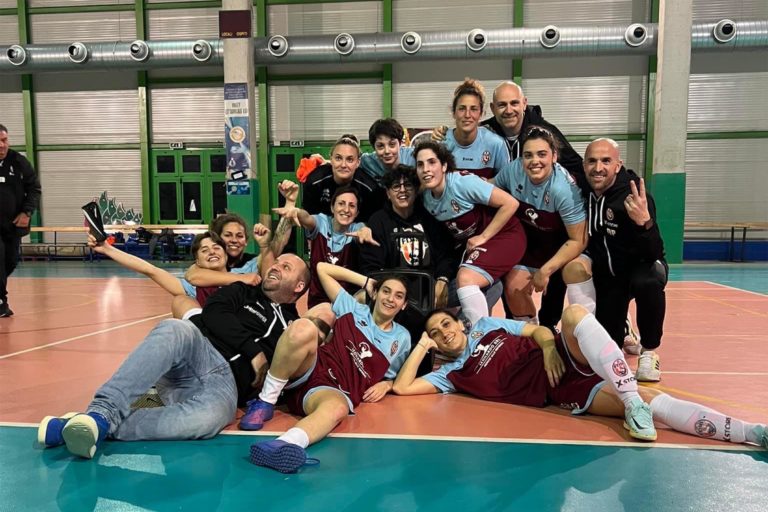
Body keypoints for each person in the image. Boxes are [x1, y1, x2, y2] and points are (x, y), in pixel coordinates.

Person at [37, 246, 314, 459]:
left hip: (223, 390)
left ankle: (86, 424)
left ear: (299, 286)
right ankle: (102, 412)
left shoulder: (294, 329)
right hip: (196, 355)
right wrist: (253, 350)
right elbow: (214, 314)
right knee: (175, 329)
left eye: (285, 266)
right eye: (276, 262)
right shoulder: (242, 290)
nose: (275, 266)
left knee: (211, 419)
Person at [394, 307, 768, 450]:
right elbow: (403, 387)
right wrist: (422, 344)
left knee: (573, 314)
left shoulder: (487, 326)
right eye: (436, 332)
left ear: (459, 323)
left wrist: (548, 348)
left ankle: (632, 402)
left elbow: (537, 331)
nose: (444, 333)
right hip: (561, 388)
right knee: (656, 406)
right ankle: (751, 432)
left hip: (562, 352)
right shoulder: (452, 375)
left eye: (446, 324)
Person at [243, 261, 411, 473]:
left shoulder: (402, 338)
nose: (390, 299)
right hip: (311, 367)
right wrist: (367, 282)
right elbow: (322, 268)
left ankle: (282, 445)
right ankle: (266, 401)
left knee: (337, 410)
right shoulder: (353, 308)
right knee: (303, 327)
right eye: (386, 291)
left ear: (404, 305)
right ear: (375, 294)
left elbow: (400, 377)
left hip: (335, 390)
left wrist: (387, 384)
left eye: (398, 296)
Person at [562, 138, 667, 382]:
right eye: (592, 161)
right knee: (607, 347)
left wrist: (644, 223)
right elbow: (560, 150)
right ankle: (623, 325)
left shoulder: (634, 196)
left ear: (618, 165)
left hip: (641, 268)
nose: (598, 168)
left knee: (649, 281)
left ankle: (649, 351)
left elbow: (654, 251)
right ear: (584, 165)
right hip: (610, 279)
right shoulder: (585, 188)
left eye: (606, 161)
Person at [415, 140, 525, 325]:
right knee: (488, 286)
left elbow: (511, 203)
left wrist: (483, 236)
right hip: (475, 244)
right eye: (420, 164)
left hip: (505, 234)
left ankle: (478, 335)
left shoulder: (463, 183)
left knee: (466, 277)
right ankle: (474, 329)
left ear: (444, 166)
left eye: (432, 162)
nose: (426, 169)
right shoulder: (426, 198)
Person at [492, 126, 587, 330]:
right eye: (528, 155)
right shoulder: (513, 171)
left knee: (554, 301)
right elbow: (488, 189)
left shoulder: (564, 189)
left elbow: (578, 240)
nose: (534, 161)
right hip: (529, 242)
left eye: (542, 154)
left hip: (561, 246)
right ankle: (531, 333)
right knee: (513, 288)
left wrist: (546, 270)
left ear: (554, 156)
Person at [433, 81, 583, 179]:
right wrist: (444, 131)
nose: (509, 110)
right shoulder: (487, 130)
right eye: (502, 105)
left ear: (524, 104)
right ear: (493, 108)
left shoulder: (545, 133)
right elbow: (467, 125)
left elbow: (577, 167)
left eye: (514, 103)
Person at [273, 183, 379, 308]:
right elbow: (306, 218)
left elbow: (363, 230)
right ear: (332, 207)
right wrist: (296, 211)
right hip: (319, 301)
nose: (346, 209)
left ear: (356, 213)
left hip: (348, 301)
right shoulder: (321, 222)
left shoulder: (357, 228)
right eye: (341, 203)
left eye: (352, 206)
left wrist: (366, 231)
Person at [0, 124, 41, 317]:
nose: (2, 145)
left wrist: (27, 212)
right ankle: (1, 303)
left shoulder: (18, 162)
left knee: (11, 261)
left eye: (4, 140)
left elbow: (34, 189)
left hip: (12, 226)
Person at [301, 134, 385, 222]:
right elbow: (308, 218)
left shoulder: (370, 189)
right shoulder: (315, 182)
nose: (343, 165)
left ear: (358, 163)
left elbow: (374, 222)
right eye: (338, 158)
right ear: (331, 159)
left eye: (350, 159)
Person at [439, 79, 509, 179]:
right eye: (462, 108)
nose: (467, 115)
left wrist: (485, 184)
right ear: (454, 112)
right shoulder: (440, 143)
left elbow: (505, 182)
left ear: (481, 114)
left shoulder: (496, 144)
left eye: (473, 109)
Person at [358, 118, 416, 186]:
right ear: (374, 147)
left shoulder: (414, 156)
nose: (387, 151)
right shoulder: (366, 162)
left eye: (392, 144)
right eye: (380, 146)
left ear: (400, 144)